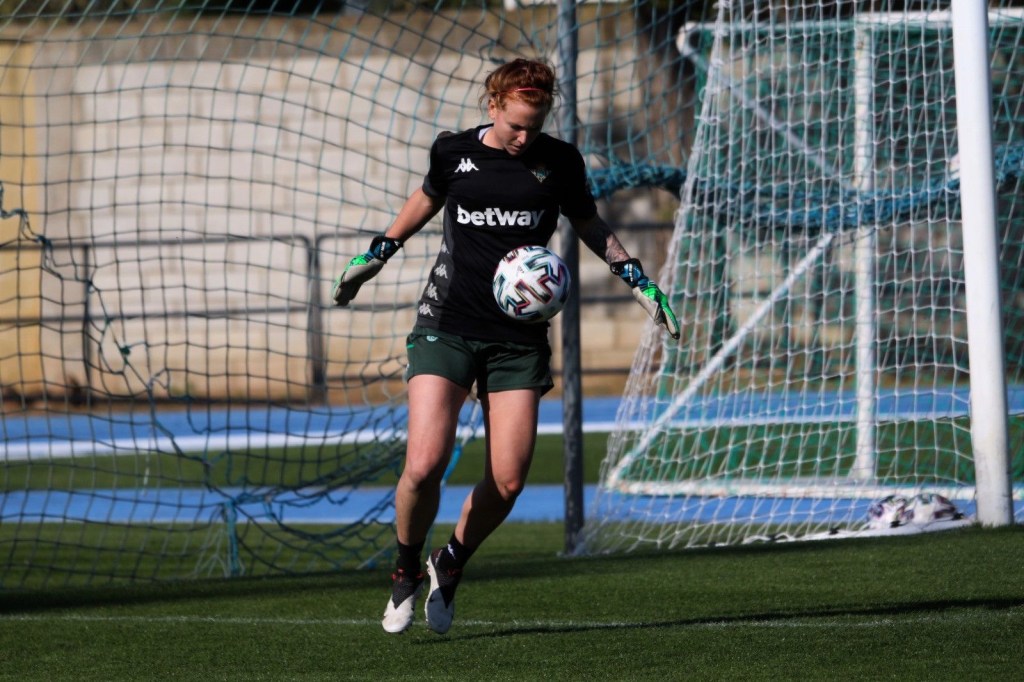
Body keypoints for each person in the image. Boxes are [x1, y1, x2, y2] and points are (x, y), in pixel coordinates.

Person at [332, 58, 679, 635]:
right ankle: (405, 569)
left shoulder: (559, 161)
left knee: (509, 480)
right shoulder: (452, 152)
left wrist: (637, 279)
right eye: (516, 125)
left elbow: (588, 223)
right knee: (423, 465)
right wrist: (379, 251)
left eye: (534, 127)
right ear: (493, 106)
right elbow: (427, 199)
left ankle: (450, 561)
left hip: (517, 339)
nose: (524, 137)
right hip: (447, 322)